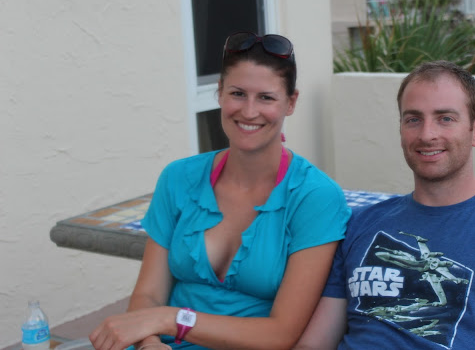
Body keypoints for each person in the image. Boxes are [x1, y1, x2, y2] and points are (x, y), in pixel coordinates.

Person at [295, 61, 475, 349]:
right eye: (413, 119)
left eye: (445, 118)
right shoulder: (359, 223)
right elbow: (314, 343)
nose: (427, 134)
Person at [90, 31, 351, 349]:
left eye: (266, 98)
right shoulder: (178, 178)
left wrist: (171, 319)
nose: (249, 111)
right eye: (238, 94)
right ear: (219, 93)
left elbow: (280, 334)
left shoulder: (315, 197)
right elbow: (148, 294)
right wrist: (148, 342)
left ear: (291, 102)